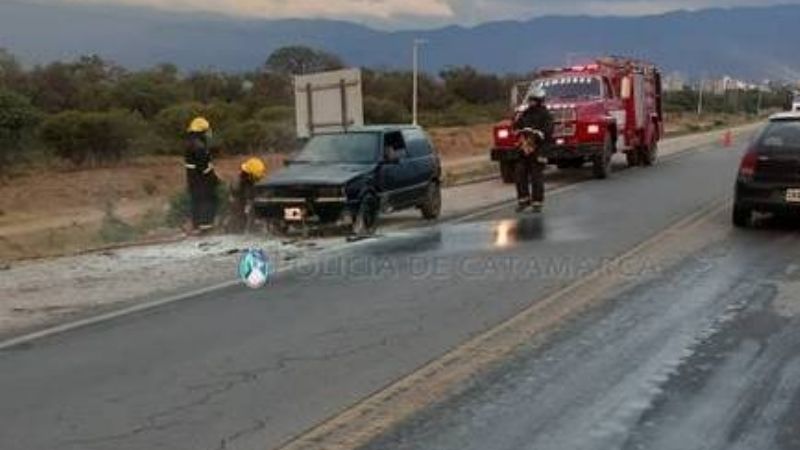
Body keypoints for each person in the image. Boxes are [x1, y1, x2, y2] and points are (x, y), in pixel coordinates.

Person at [513, 87, 554, 213]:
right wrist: (517, 125)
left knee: (536, 177)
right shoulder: (525, 113)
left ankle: (537, 202)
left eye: (534, 100)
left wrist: (537, 135)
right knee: (519, 175)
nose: (531, 102)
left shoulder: (546, 115)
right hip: (524, 148)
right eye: (530, 100)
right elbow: (516, 126)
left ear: (540, 101)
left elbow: (547, 133)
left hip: (539, 149)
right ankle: (523, 200)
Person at [184, 117, 219, 234]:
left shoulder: (191, 142)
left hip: (193, 178)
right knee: (207, 200)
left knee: (196, 201)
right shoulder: (199, 147)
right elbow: (204, 167)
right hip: (201, 179)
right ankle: (206, 226)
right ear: (202, 131)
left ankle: (197, 225)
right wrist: (214, 178)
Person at [227, 157, 267, 233]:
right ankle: (237, 229)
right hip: (240, 203)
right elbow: (235, 194)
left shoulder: (258, 184)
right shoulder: (238, 182)